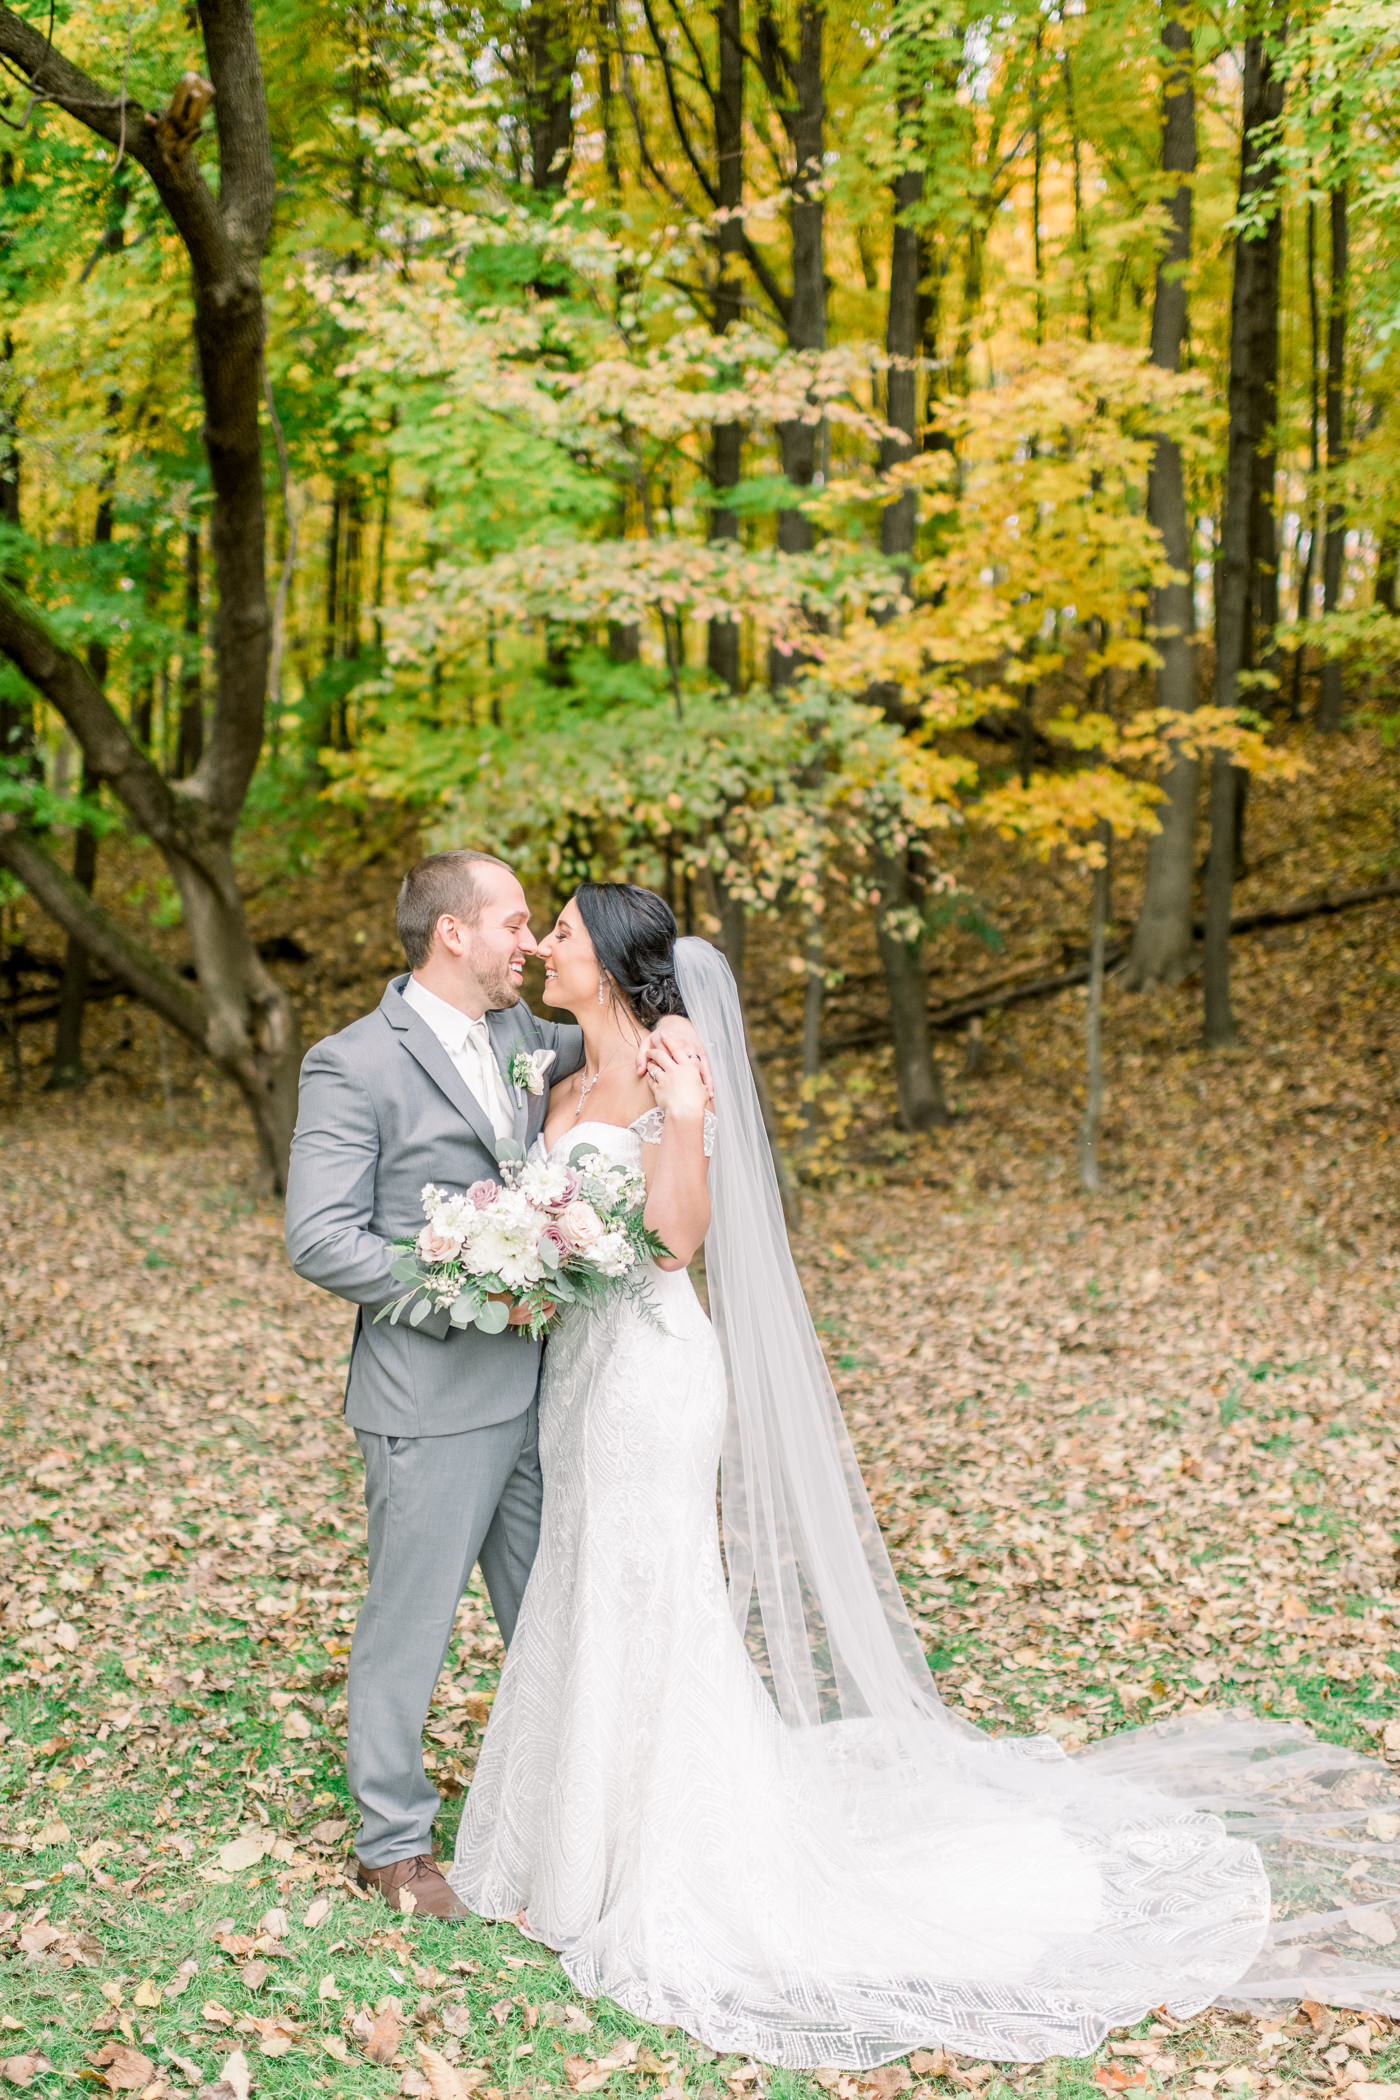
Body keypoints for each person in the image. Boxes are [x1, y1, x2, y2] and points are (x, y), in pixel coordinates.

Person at [450, 880, 1400, 2067]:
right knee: (583, 1574)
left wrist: (685, 1119)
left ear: (618, 964)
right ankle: (563, 1843)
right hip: (576, 1378)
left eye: (565, 937)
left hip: (651, 1372)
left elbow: (678, 1239)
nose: (544, 948)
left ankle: (653, 1854)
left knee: (655, 1588)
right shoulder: (561, 1076)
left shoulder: (662, 1075)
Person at [284, 851, 706, 1918]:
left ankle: (585, 1817)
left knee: (562, 1610)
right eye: (515, 923)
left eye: (539, 927)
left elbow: (624, 1006)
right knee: (409, 1623)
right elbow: (319, 1237)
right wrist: (462, 1278)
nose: (530, 943)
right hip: (429, 1395)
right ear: (452, 936)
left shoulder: (534, 1041)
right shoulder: (351, 1063)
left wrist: (684, 1032)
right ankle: (393, 1843)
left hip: (560, 1395)